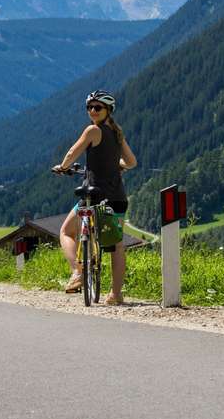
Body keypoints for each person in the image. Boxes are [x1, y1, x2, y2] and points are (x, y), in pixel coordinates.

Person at [52, 89, 137, 305]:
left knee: (65, 231)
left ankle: (78, 272)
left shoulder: (93, 131)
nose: (92, 110)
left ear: (108, 110)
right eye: (89, 107)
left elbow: (73, 152)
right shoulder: (118, 134)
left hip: (95, 196)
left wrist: (63, 167)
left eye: (97, 107)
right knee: (116, 244)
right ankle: (116, 295)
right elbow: (132, 163)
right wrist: (118, 166)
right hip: (117, 197)